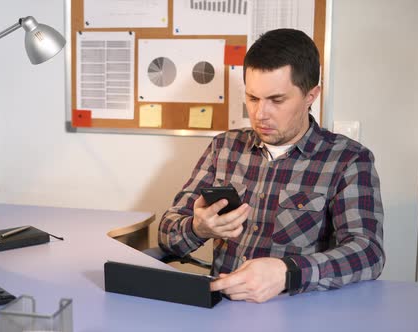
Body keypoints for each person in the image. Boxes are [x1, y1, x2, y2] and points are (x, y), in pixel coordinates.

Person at [158, 28, 385, 303]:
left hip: (294, 309)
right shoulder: (224, 148)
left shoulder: (348, 160)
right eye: (253, 98)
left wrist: (286, 273)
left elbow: (368, 253)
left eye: (276, 100)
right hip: (220, 309)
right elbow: (166, 233)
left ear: (311, 95)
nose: (259, 114)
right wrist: (198, 229)